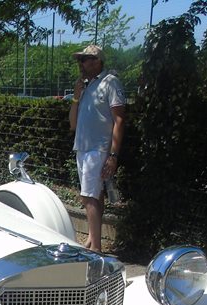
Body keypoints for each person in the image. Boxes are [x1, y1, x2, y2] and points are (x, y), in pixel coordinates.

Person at [68, 44, 126, 253]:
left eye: (85, 59)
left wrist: (113, 155)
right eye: (81, 60)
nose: (82, 64)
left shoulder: (110, 82)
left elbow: (119, 120)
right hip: (83, 147)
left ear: (97, 61)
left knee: (88, 197)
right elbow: (72, 124)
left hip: (98, 148)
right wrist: (76, 97)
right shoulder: (85, 86)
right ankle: (93, 240)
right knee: (95, 195)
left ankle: (96, 250)